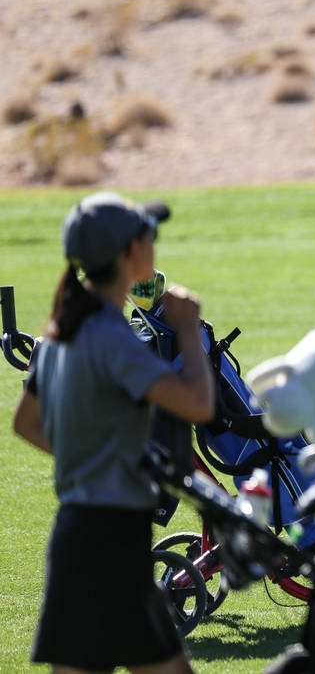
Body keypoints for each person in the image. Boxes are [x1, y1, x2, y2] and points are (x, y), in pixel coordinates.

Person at [11, 192, 215, 674]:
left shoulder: (63, 329)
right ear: (130, 253)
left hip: (80, 537)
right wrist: (187, 328)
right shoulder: (111, 336)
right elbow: (199, 405)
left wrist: (92, 457)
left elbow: (26, 423)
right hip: (111, 540)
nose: (153, 243)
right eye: (149, 234)